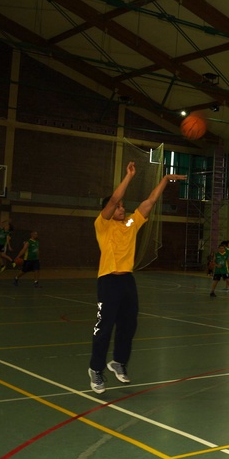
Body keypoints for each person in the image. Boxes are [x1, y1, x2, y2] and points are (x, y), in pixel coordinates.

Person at [88, 162, 186, 394]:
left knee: (129, 325)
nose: (122, 209)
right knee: (104, 328)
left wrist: (164, 180)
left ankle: (118, 363)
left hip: (127, 282)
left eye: (123, 206)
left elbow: (149, 202)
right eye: (119, 207)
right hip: (108, 280)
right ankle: (96, 369)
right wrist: (129, 177)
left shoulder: (130, 224)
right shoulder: (103, 225)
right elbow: (112, 200)